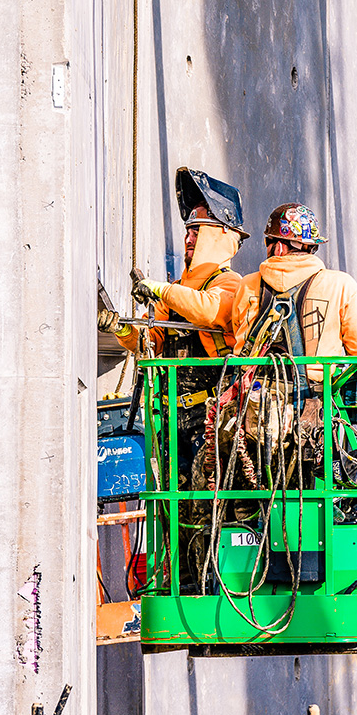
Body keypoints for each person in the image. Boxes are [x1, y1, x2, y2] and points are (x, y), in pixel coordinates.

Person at [98, 167, 249, 482]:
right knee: (174, 516)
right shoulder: (178, 290)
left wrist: (160, 290)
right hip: (171, 421)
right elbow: (148, 343)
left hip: (209, 421)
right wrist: (121, 329)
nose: (188, 238)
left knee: (204, 504)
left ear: (219, 235)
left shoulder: (230, 284)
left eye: (197, 231)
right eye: (188, 230)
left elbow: (208, 311)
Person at [231, 202, 357, 381]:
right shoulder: (340, 285)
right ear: (310, 247)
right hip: (313, 397)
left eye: (267, 242)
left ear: (279, 247)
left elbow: (236, 334)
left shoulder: (247, 284)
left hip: (250, 396)